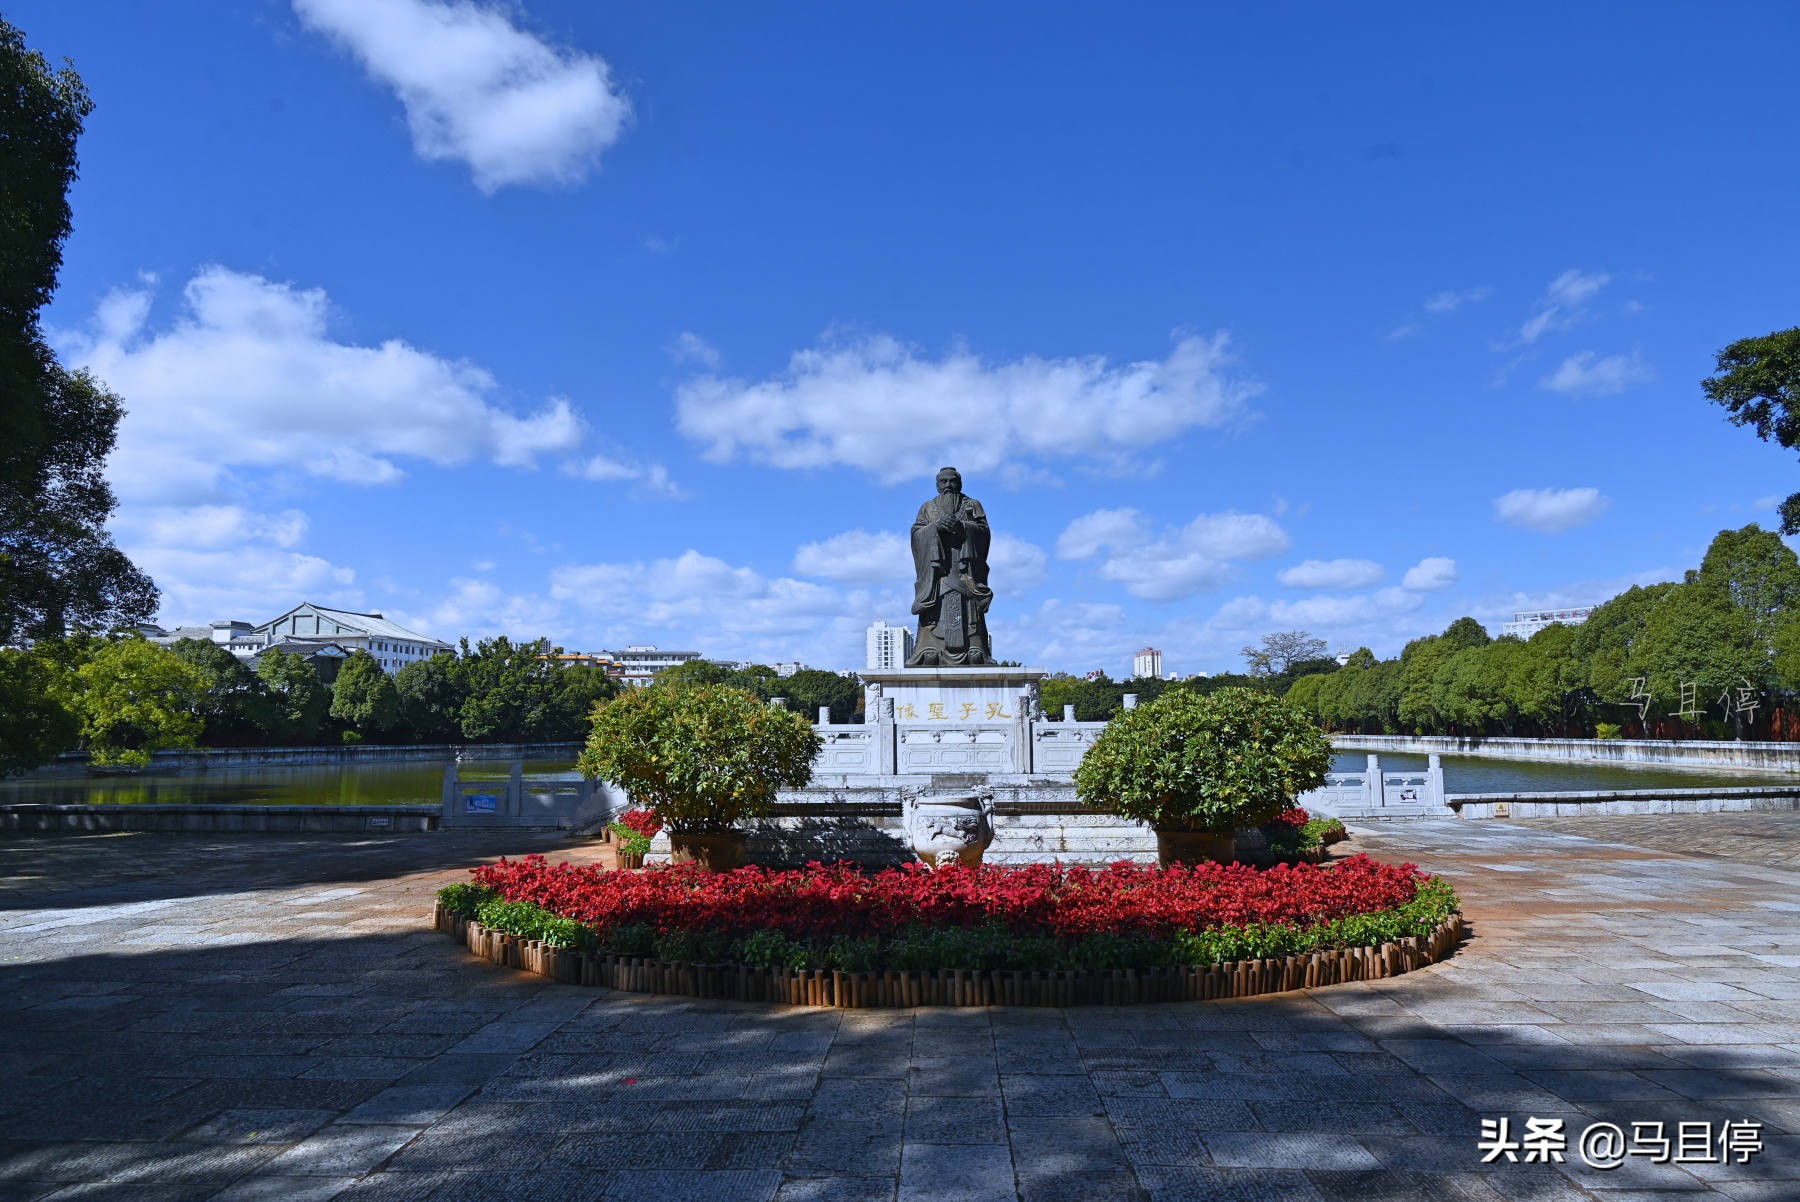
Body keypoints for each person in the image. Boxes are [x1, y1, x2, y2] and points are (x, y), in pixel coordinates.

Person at [907, 466, 995, 666]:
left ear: (960, 483)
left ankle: (975, 647)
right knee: (934, 609)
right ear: (937, 485)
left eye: (952, 481)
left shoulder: (972, 505)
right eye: (943, 482)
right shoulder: (928, 508)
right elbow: (916, 534)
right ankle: (929, 647)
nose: (948, 485)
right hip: (938, 571)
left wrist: (963, 527)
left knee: (970, 608)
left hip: (964, 568)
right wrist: (935, 528)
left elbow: (984, 533)